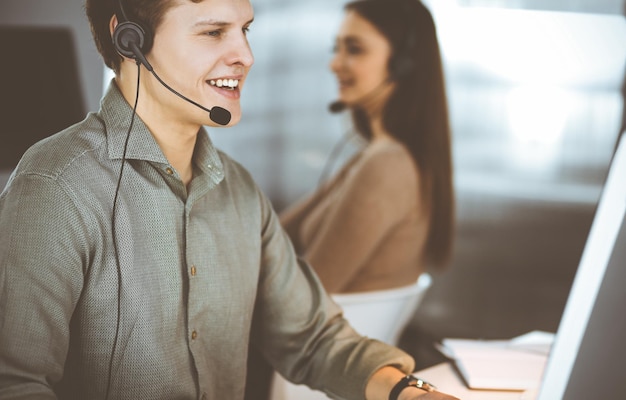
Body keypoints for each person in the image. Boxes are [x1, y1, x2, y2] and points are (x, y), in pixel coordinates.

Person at [0, 0, 460, 399]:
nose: (245, 55)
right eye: (213, 32)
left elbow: (313, 339)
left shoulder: (238, 190)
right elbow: (13, 382)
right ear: (130, 41)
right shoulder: (57, 187)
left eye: (244, 31)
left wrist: (406, 392)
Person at [279, 0, 454, 294]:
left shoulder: (387, 166)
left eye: (354, 49)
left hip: (321, 339)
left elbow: (304, 300)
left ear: (402, 64)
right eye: (336, 48)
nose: (334, 63)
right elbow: (273, 236)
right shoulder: (376, 154)